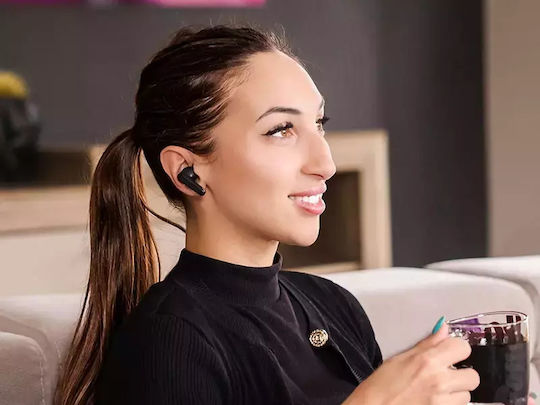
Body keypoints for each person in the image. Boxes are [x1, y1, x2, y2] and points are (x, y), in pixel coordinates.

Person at [52, 23, 533, 405]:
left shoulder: (333, 305)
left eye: (319, 124)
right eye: (281, 129)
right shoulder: (169, 343)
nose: (325, 163)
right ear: (189, 172)